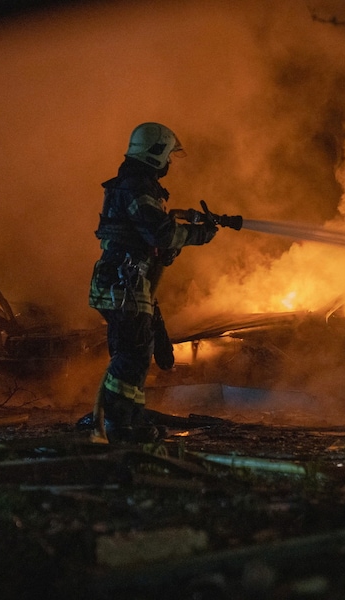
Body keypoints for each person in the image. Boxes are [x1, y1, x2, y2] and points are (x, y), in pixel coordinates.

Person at [88, 122, 217, 443]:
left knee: (137, 355)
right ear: (156, 153)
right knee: (132, 356)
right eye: (168, 155)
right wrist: (201, 234)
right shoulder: (136, 188)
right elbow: (161, 233)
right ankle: (117, 423)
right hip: (124, 285)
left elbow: (153, 240)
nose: (170, 163)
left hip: (127, 285)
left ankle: (128, 422)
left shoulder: (135, 186)